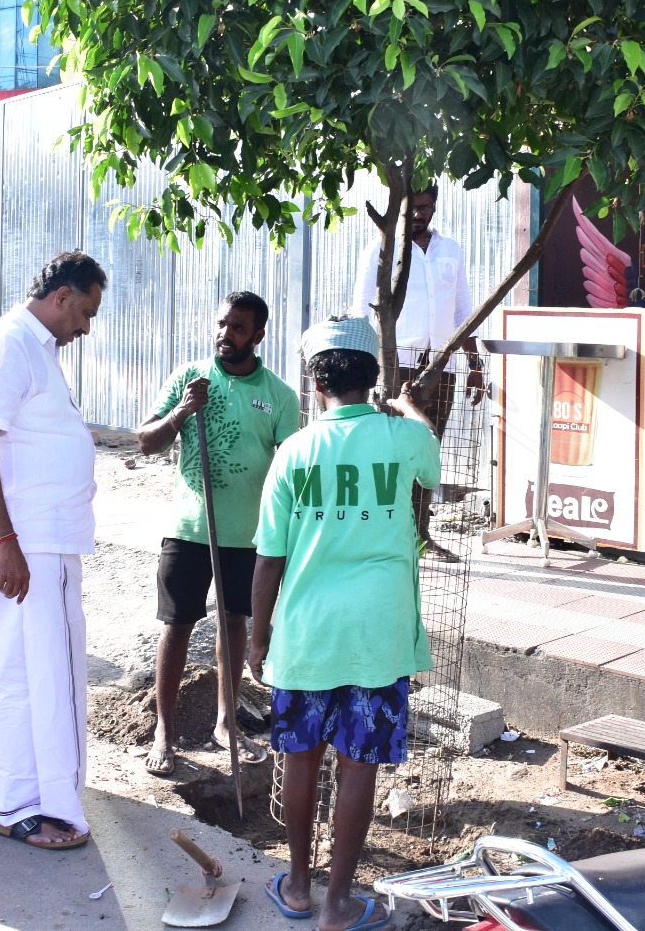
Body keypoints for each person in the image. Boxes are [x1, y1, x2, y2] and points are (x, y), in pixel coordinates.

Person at [250, 315, 441, 931]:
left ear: (314, 382)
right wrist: (408, 408)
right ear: (372, 376)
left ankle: (299, 888)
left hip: (306, 633)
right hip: (377, 636)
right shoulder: (401, 438)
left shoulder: (292, 452)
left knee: (301, 756)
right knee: (359, 764)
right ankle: (338, 904)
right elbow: (429, 456)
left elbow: (269, 556)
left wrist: (259, 635)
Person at [0, 250, 107, 850]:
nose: (87, 327)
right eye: (86, 311)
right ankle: (40, 803)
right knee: (46, 672)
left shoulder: (33, 347)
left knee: (25, 671)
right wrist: (7, 544)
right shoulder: (11, 344)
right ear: (63, 295)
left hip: (36, 541)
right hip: (29, 543)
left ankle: (15, 795)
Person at [135, 291, 299, 777]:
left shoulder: (280, 396)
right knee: (177, 623)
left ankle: (226, 723)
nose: (226, 335)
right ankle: (164, 729)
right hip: (189, 529)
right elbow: (145, 441)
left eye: (238, 328)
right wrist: (183, 411)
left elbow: (291, 467)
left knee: (233, 624)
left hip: (247, 535)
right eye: (222, 325)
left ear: (259, 335)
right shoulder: (190, 378)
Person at [348, 183, 483, 556]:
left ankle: (421, 534)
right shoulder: (381, 250)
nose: (419, 215)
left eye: (425, 207)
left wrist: (474, 363)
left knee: (429, 449)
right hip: (396, 367)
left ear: (434, 206)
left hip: (441, 366)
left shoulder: (450, 250)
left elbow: (462, 312)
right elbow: (362, 308)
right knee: (391, 453)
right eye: (412, 210)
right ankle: (387, 535)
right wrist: (364, 362)